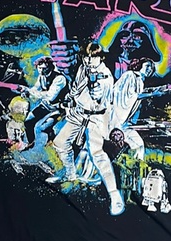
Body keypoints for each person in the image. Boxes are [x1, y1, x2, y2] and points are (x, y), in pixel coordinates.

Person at [48, 42, 125, 216]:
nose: (89, 60)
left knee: (97, 154)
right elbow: (76, 87)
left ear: (101, 57)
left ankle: (114, 195)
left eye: (93, 57)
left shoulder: (105, 77)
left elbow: (99, 97)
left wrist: (95, 89)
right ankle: (70, 174)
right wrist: (70, 98)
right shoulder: (83, 68)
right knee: (60, 142)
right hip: (78, 113)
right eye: (86, 57)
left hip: (96, 117)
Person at [110, 57, 170, 159]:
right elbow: (132, 96)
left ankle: (135, 165)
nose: (149, 69)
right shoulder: (129, 75)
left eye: (151, 68)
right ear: (140, 65)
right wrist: (153, 93)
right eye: (147, 66)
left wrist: (157, 90)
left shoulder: (140, 82)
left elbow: (140, 94)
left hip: (125, 123)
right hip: (114, 120)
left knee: (139, 145)